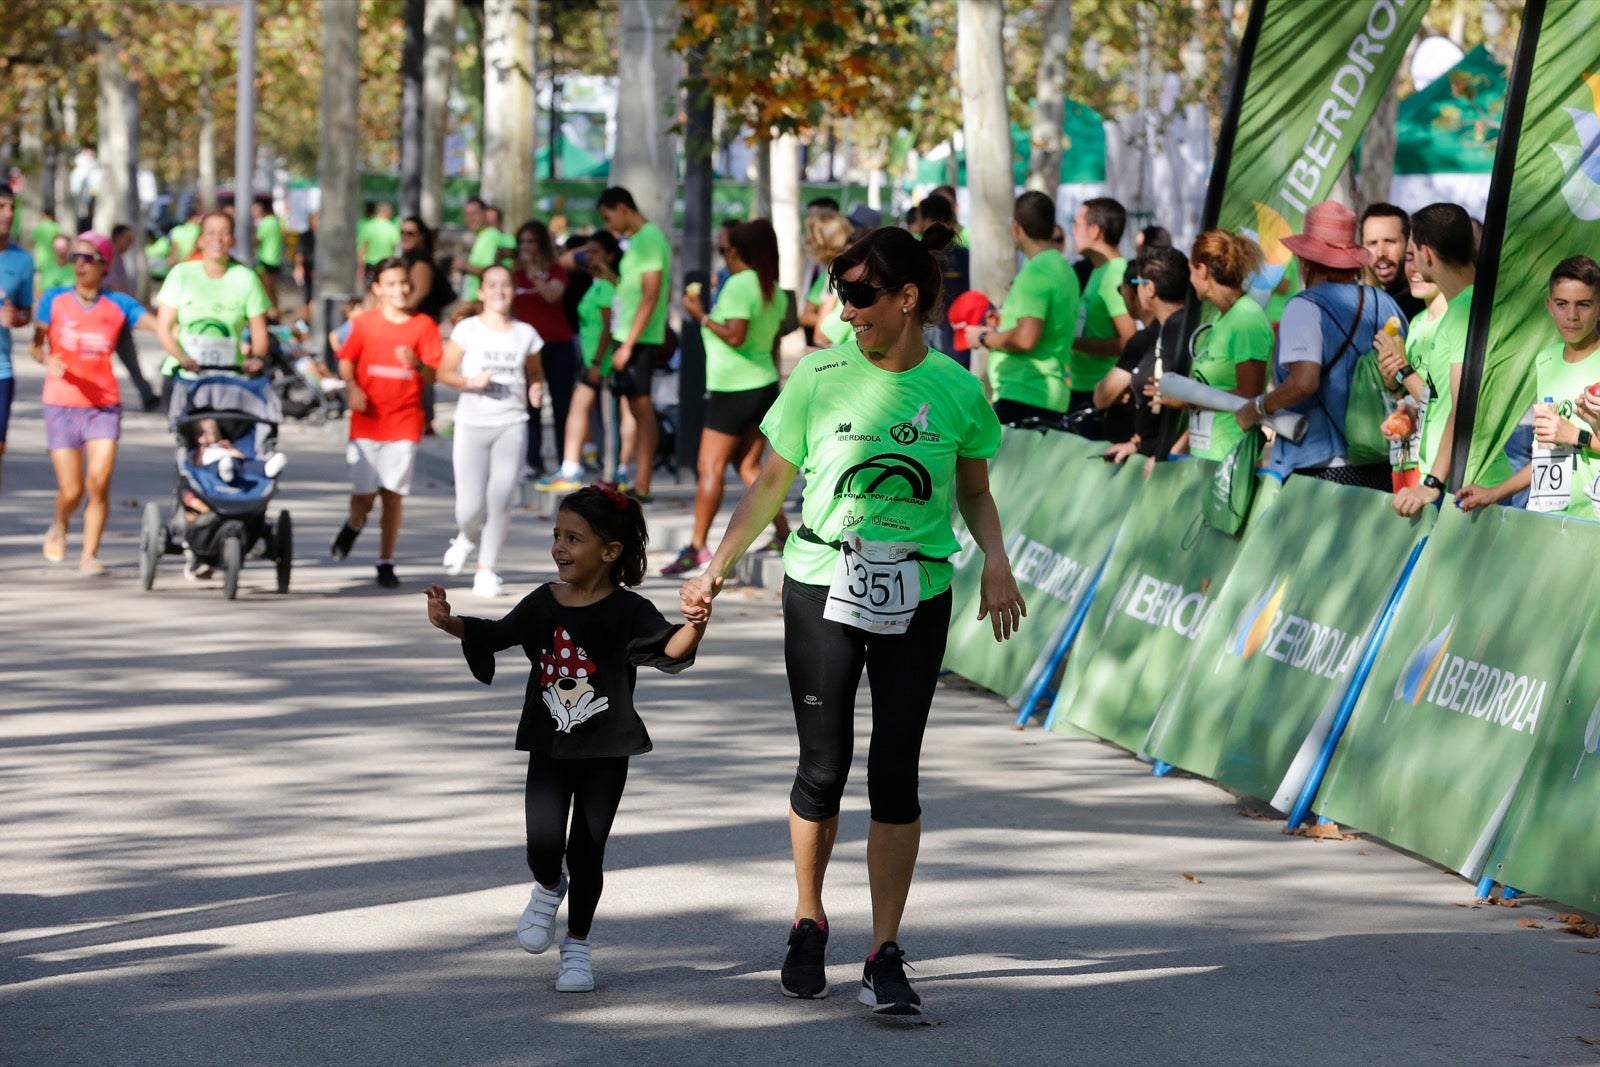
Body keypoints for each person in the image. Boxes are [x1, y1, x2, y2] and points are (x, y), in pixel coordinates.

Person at [680, 223, 1026, 1016]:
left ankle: (885, 949)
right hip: (820, 581)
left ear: (908, 298)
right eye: (843, 294)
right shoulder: (818, 374)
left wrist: (997, 558)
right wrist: (716, 566)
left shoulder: (957, 388)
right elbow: (771, 483)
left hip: (919, 588)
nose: (848, 310)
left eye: (863, 296)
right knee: (823, 767)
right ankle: (808, 919)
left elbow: (973, 489)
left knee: (894, 774)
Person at [423, 485, 706, 993]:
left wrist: (696, 623)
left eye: (573, 538)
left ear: (609, 551)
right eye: (557, 535)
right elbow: (496, 633)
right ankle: (549, 887)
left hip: (607, 749)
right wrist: (451, 623)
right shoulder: (543, 601)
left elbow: (672, 649)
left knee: (588, 850)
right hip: (549, 745)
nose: (559, 547)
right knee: (543, 844)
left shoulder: (629, 610)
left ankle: (577, 946)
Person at [1234, 200, 1403, 489]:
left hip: (1321, 466)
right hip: (1381, 460)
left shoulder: (1303, 307)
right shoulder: (1384, 302)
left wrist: (1258, 408)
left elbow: (1305, 382)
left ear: (1306, 261)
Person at [665, 218, 792, 576]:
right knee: (750, 467)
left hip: (733, 388)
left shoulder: (739, 285)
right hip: (763, 383)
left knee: (710, 466)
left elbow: (735, 335)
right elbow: (773, 341)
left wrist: (700, 316)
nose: (722, 255)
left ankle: (697, 547)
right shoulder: (773, 289)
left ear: (738, 252)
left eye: (723, 249)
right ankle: (783, 533)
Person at [31, 232, 158, 574]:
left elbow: (159, 326)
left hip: (103, 404)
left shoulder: (117, 304)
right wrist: (48, 362)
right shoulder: (54, 300)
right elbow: (36, 346)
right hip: (62, 402)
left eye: (88, 258)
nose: (80, 264)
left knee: (99, 481)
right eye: (76, 258)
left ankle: (90, 554)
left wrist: (184, 347)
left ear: (105, 265)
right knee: (71, 491)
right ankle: (60, 523)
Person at [329, 257, 443, 588]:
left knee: (392, 493)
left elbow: (433, 374)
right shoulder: (364, 323)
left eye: (404, 283)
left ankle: (385, 560)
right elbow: (346, 361)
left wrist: (417, 363)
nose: (400, 290)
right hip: (367, 420)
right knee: (365, 494)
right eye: (391, 284)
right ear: (378, 289)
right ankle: (354, 523)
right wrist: (351, 388)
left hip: (405, 420)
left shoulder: (424, 326)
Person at [1458, 256, 1600, 517]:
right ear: (1549, 306)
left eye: (1584, 305)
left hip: (1593, 521)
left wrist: (1576, 436)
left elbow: (1568, 437)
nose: (1572, 315)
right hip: (1551, 520)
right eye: (1562, 304)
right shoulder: (1546, 359)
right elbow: (1547, 453)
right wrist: (1495, 493)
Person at [437, 264, 546, 598]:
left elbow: (535, 374)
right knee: (469, 508)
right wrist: (471, 382)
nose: (499, 291)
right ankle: (467, 536)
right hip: (472, 425)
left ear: (513, 291)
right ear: (481, 292)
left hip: (511, 424)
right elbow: (443, 372)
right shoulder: (467, 330)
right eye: (492, 285)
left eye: (505, 285)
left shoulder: (525, 333)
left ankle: (486, 570)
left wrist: (536, 389)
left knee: (500, 499)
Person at [1376, 202, 1486, 515]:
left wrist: (1433, 483)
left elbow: (1461, 405)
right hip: (1453, 480)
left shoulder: (1464, 311)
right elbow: (1437, 400)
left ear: (1427, 255)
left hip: (1466, 484)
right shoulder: (1455, 311)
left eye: (1411, 253)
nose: (1409, 265)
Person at [968, 191, 1079, 428]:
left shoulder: (1036, 273)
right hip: (1044, 392)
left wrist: (982, 336)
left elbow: (1026, 338)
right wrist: (1005, 319)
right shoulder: (1063, 268)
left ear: (1017, 228)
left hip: (1026, 392)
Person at [154, 210, 271, 407]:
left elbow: (259, 331)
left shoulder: (246, 278)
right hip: (185, 378)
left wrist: (257, 359)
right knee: (201, 427)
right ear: (200, 240)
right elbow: (163, 328)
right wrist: (182, 358)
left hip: (231, 378)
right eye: (211, 232)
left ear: (232, 240)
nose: (217, 239)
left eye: (224, 233)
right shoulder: (181, 275)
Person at [597, 186, 669, 502]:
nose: (608, 224)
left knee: (642, 408)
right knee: (633, 408)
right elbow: (633, 292)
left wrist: (628, 344)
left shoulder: (650, 239)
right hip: (626, 336)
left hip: (637, 340)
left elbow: (651, 296)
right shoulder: (637, 242)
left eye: (608, 215)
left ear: (623, 207)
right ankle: (633, 477)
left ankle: (643, 483)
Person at [1176, 230, 1272, 462]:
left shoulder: (1246, 319)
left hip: (1230, 458)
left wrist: (1184, 398)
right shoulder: (1223, 318)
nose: (1190, 279)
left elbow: (1249, 396)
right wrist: (1180, 445)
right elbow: (1212, 388)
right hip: (1206, 456)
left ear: (1203, 270)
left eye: (1191, 271)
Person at [539, 232, 622, 491]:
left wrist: (598, 361)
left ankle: (611, 473)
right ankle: (570, 468)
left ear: (609, 255)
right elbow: (564, 261)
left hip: (602, 363)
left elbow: (609, 327)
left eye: (596, 252)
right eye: (588, 252)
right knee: (578, 410)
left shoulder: (608, 287)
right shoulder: (596, 283)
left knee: (608, 420)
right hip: (590, 361)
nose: (589, 257)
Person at [1094, 247, 1191, 465]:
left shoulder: (1181, 331)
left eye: (1136, 284)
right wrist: (1137, 443)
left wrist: (1171, 452)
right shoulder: (1168, 328)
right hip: (1155, 455)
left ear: (1149, 288)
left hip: (1172, 463)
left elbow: (1195, 402)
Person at [1376, 244, 1445, 490]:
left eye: (1423, 259)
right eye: (1408, 258)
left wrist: (1402, 368)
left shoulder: (1459, 319)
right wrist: (1393, 384)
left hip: (1444, 473)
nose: (1414, 268)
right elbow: (1416, 400)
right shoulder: (1415, 322)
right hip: (1410, 464)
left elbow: (1442, 406)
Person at [512, 220, 576, 481]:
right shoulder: (513, 274)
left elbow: (552, 296)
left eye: (531, 241)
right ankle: (533, 462)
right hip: (526, 349)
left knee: (562, 407)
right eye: (522, 242)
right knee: (531, 406)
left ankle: (565, 461)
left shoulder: (555, 270)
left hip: (558, 344)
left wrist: (535, 273)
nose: (526, 247)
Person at [1069, 197, 1137, 411]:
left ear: (1094, 231)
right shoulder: (1100, 271)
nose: (1072, 230)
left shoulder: (1115, 274)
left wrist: (1074, 343)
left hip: (1104, 393)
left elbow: (1130, 342)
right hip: (1086, 386)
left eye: (1076, 223)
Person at [0, 186, 36, 496]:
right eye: (1, 207)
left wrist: (17, 319)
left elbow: (25, 311)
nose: (8, 214)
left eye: (11, 207)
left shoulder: (22, 260)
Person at [917, 195, 971, 359]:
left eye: (919, 218)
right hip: (960, 333)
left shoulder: (918, 256)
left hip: (934, 332)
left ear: (926, 220)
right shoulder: (965, 255)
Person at [798, 210, 854, 350]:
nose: (807, 242)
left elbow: (821, 335)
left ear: (821, 242)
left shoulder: (840, 273)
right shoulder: (832, 272)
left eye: (811, 237)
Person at [1360, 203, 1425, 322]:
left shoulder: (1423, 301)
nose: (1380, 253)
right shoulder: (1363, 303)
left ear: (1408, 243)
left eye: (1390, 241)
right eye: (1372, 243)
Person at [192, 416, 288, 483]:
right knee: (215, 467)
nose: (205, 437)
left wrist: (231, 450)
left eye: (209, 434)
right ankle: (224, 472)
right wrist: (201, 451)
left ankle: (266, 468)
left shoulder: (223, 445)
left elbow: (242, 458)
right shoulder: (200, 450)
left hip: (233, 463)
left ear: (216, 434)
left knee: (246, 465)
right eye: (200, 434)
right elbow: (196, 466)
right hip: (213, 467)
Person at [455, 197, 505, 303]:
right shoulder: (481, 236)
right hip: (476, 300)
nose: (470, 218)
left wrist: (464, 266)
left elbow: (491, 273)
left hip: (483, 302)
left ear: (484, 214)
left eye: (474, 213)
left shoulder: (490, 235)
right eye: (467, 214)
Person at [357, 201, 401, 287]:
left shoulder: (368, 226)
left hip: (370, 264)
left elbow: (363, 249)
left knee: (370, 289)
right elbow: (396, 248)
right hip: (387, 264)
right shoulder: (392, 227)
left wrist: (360, 268)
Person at [251, 198, 283, 313]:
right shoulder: (275, 221)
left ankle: (272, 314)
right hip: (274, 259)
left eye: (255, 209)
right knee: (272, 290)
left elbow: (256, 241)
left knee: (266, 290)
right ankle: (275, 312)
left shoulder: (266, 222)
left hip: (266, 260)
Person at [293, 211, 317, 308]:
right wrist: (299, 267)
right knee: (309, 296)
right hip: (309, 270)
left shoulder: (324, 236)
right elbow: (300, 253)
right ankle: (307, 319)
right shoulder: (305, 236)